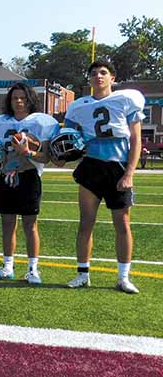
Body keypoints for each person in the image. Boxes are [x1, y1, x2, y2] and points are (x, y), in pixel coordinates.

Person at [62, 61, 145, 294]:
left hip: (118, 166)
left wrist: (130, 172)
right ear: (88, 79)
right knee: (85, 222)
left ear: (112, 77)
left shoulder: (126, 100)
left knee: (122, 224)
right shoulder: (79, 106)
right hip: (91, 166)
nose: (98, 76)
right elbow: (69, 136)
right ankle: (82, 274)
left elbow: (136, 139)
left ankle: (123, 277)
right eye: (94, 73)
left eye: (103, 73)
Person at [0, 82, 58, 284]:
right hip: (6, 177)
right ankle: (7, 267)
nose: (19, 101)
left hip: (29, 176)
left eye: (23, 97)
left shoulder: (41, 122)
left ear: (30, 99)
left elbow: (46, 157)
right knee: (7, 224)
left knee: (30, 225)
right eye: (15, 98)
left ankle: (33, 270)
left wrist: (28, 152)